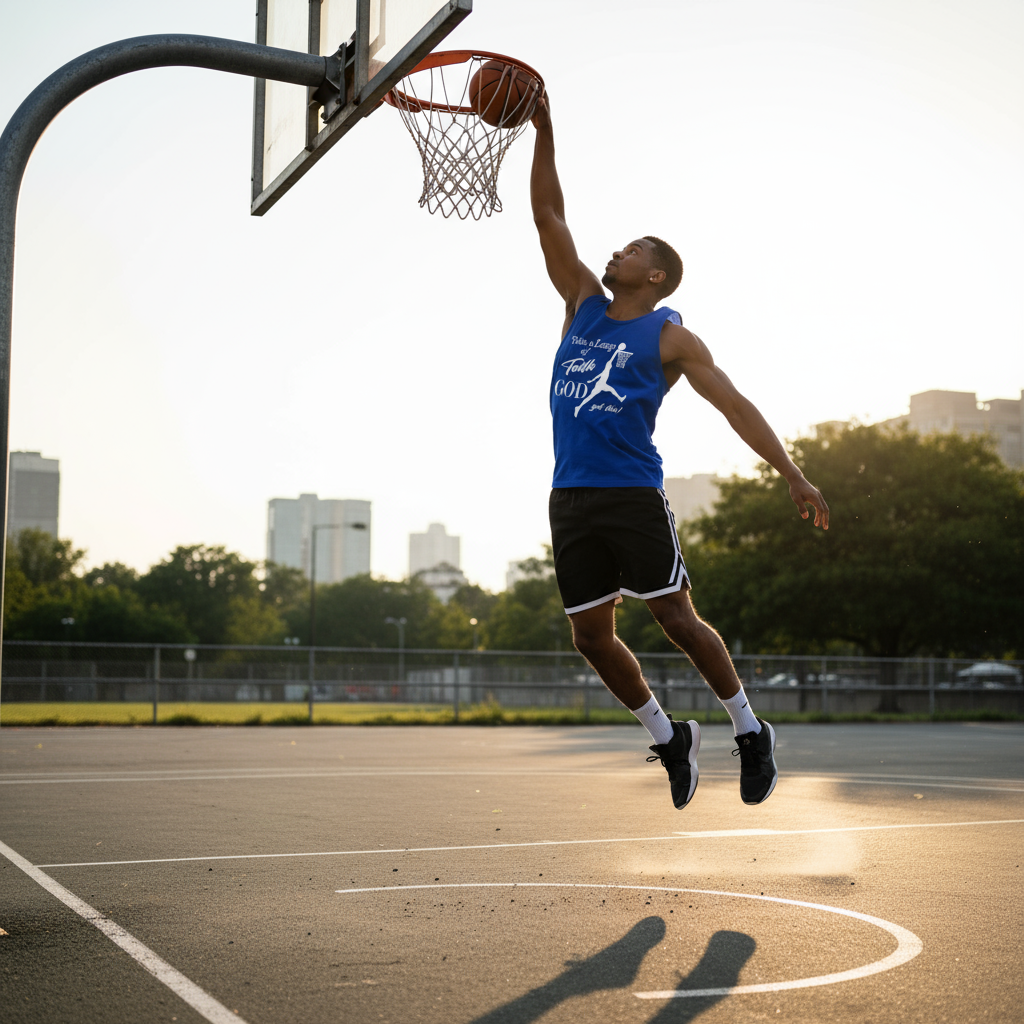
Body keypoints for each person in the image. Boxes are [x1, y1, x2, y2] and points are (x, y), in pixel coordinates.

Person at [529, 95, 829, 810]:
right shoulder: (582, 303)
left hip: (631, 492)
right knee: (590, 639)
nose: (616, 252)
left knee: (675, 618)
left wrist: (792, 473)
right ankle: (670, 738)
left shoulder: (670, 338)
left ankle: (750, 729)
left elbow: (734, 405)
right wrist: (543, 130)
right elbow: (548, 216)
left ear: (656, 275)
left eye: (632, 249)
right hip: (570, 494)